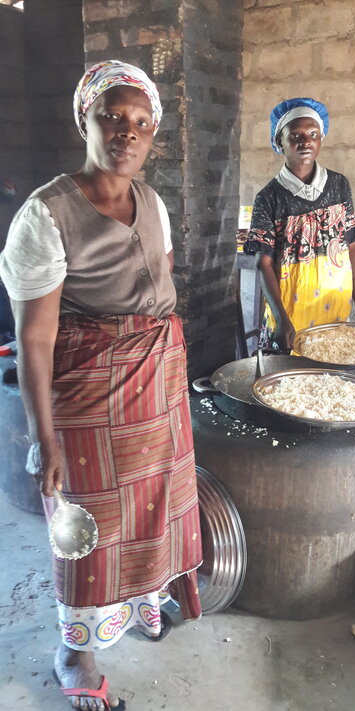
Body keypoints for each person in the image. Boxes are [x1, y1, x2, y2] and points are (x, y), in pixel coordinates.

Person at [0, 60, 202, 710]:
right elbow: (34, 337)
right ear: (84, 118)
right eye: (112, 116)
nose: (127, 131)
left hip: (156, 386)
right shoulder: (46, 214)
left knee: (153, 510)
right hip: (90, 396)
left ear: (152, 134)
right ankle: (76, 652)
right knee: (87, 527)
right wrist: (45, 438)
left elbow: (157, 283)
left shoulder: (153, 203)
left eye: (141, 122)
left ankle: (144, 601)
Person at [244, 97, 355, 352]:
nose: (305, 141)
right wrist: (281, 319)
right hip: (290, 310)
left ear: (321, 139)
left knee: (330, 376)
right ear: (279, 142)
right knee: (289, 381)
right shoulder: (268, 198)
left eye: (313, 134)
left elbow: (352, 246)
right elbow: (263, 263)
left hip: (335, 306)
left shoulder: (339, 186)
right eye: (295, 135)